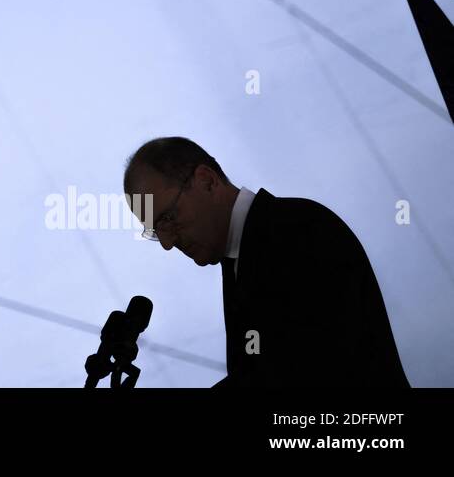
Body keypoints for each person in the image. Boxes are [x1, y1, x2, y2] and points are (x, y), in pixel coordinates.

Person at [123, 137, 409, 387]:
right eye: (155, 231)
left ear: (207, 181)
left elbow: (299, 371)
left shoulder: (296, 229)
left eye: (168, 219)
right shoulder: (244, 255)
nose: (168, 243)